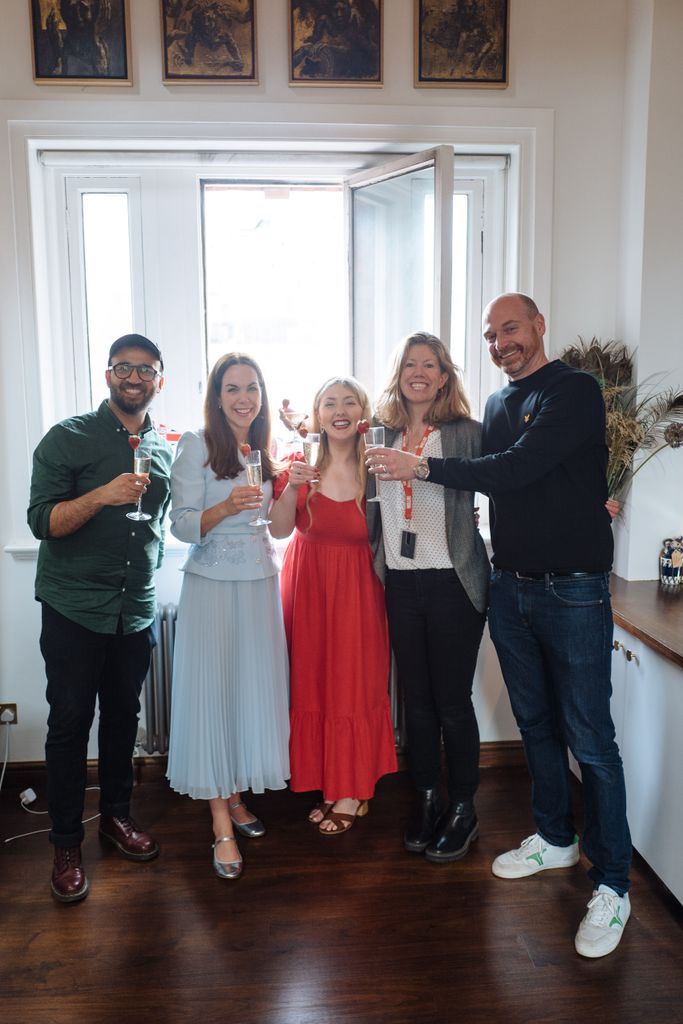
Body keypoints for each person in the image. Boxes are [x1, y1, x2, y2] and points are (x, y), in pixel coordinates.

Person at [367, 293, 632, 959]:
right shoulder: (494, 405)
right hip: (510, 583)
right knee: (535, 724)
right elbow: (508, 484)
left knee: (590, 738)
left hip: (572, 589)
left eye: (509, 329)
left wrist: (419, 466)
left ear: (538, 325)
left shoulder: (572, 389)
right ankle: (553, 838)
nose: (501, 342)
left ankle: (613, 885)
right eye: (490, 334)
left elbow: (508, 470)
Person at [27, 333, 172, 903]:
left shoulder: (164, 443)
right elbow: (44, 521)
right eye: (123, 368)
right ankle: (65, 843)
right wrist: (101, 497)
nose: (133, 378)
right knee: (68, 725)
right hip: (72, 608)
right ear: (108, 374)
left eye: (145, 370)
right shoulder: (68, 438)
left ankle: (116, 818)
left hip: (133, 609)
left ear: (159, 379)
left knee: (121, 720)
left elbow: (161, 522)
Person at [166, 353, 289, 879]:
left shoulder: (265, 448)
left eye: (252, 387)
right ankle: (220, 822)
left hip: (259, 581)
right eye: (233, 388)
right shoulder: (197, 444)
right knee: (213, 693)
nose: (244, 398)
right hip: (212, 585)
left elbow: (279, 526)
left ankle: (236, 795)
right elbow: (182, 526)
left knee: (246, 692)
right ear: (217, 396)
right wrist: (226, 508)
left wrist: (293, 486)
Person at [368, 332, 489, 862]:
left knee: (453, 703)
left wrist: (589, 499)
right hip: (400, 580)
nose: (419, 372)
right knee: (415, 703)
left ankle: (464, 809)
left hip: (452, 582)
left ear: (444, 377)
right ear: (399, 375)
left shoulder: (466, 433)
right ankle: (426, 797)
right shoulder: (380, 433)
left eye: (430, 365)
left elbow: (514, 473)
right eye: (410, 364)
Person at [270, 377, 397, 834]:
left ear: (363, 413)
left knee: (353, 683)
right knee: (314, 682)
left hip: (360, 591)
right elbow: (281, 530)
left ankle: (353, 789)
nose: (339, 410)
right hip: (306, 588)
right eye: (329, 403)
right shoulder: (299, 463)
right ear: (317, 415)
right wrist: (288, 489)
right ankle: (329, 782)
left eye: (349, 402)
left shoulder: (378, 466)